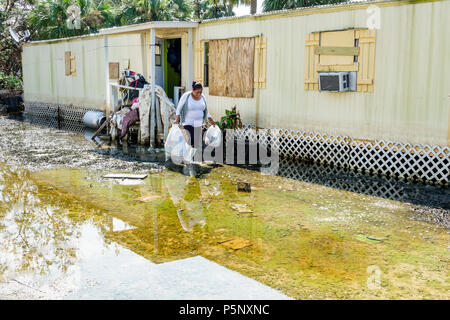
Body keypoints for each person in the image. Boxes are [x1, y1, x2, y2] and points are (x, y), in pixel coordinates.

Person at [173, 81, 215, 150]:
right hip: (188, 122)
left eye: (200, 92)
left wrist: (211, 120)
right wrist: (177, 119)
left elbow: (206, 111)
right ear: (192, 90)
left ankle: (192, 156)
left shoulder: (203, 97)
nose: (199, 94)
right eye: (197, 92)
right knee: (192, 138)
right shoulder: (186, 96)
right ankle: (188, 154)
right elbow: (179, 108)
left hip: (198, 123)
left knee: (197, 142)